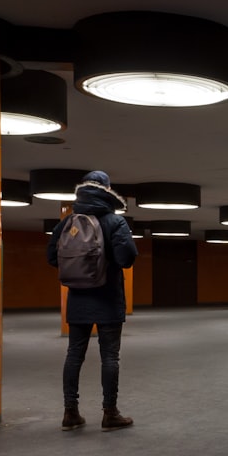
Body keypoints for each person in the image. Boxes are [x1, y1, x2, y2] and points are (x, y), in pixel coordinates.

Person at [47, 170, 139, 432]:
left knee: (74, 355)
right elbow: (127, 258)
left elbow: (52, 258)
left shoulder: (66, 222)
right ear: (108, 190)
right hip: (108, 297)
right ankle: (110, 413)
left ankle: (70, 412)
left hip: (78, 297)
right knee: (110, 357)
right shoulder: (114, 221)